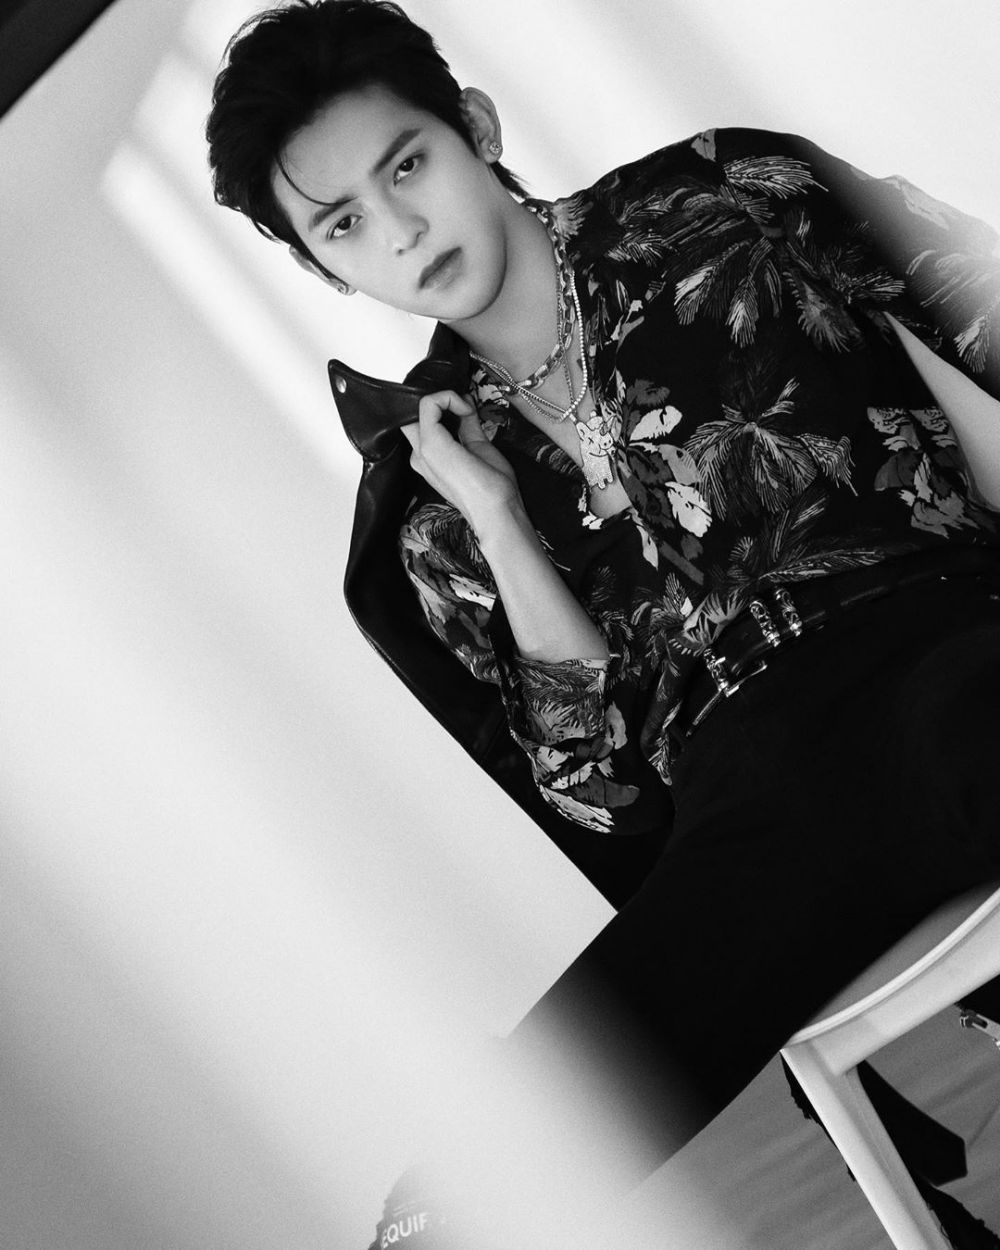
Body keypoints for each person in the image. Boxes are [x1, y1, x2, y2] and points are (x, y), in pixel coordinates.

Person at [205, 1, 1000, 1243]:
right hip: (752, 817)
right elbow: (608, 803)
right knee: (453, 1203)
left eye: (406, 165)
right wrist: (499, 522)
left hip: (931, 646)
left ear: (475, 128)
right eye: (343, 223)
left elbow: (980, 299)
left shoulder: (719, 194)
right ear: (321, 266)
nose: (400, 230)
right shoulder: (433, 505)